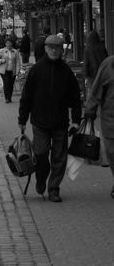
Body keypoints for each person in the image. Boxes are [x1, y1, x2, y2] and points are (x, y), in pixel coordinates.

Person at [18, 35, 81, 202]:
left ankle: (54, 189)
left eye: (57, 48)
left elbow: (75, 98)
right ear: (45, 49)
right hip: (39, 122)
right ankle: (40, 179)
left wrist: (76, 120)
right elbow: (26, 96)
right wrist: (22, 119)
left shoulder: (66, 71)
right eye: (51, 47)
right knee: (41, 154)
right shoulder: (37, 70)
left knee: (59, 157)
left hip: (60, 122)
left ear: (62, 50)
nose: (54, 50)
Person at [85, 54, 114, 198]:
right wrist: (90, 110)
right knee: (112, 152)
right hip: (111, 120)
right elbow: (96, 90)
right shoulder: (109, 64)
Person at [83, 30, 108, 101]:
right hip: (102, 74)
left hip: (92, 75)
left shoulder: (87, 49)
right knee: (102, 93)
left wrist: (85, 76)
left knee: (91, 93)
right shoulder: (102, 47)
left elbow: (86, 63)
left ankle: (91, 110)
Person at [0, 37, 21, 103]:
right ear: (5, 44)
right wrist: (1, 61)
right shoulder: (1, 51)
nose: (8, 44)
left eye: (10, 43)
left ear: (12, 44)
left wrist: (17, 70)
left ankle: (9, 97)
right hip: (4, 70)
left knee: (11, 84)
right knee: (6, 83)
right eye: (7, 43)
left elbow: (18, 62)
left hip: (12, 70)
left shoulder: (15, 51)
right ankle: (7, 98)